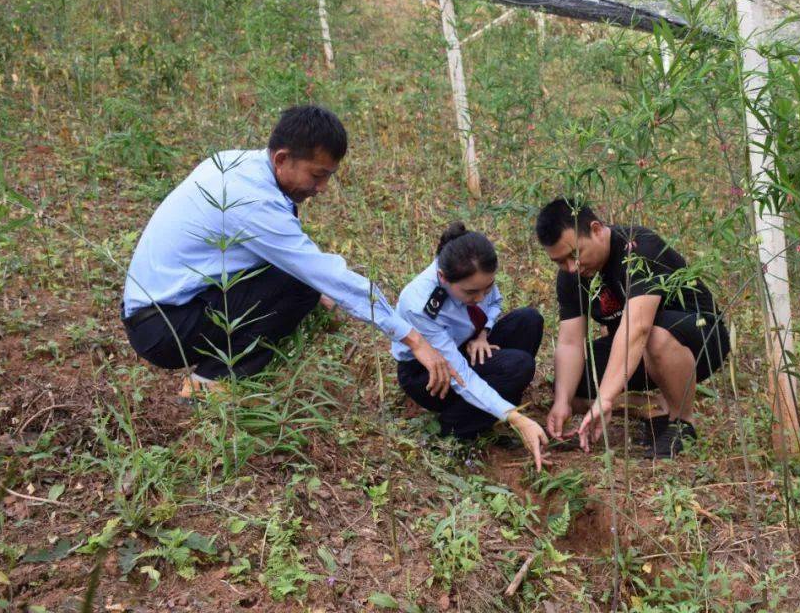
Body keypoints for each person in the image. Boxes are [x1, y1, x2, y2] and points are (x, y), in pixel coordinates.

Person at [122, 105, 457, 401]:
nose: (322, 189)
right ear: (282, 159)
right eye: (317, 175)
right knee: (301, 285)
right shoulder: (251, 200)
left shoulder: (236, 163)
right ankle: (208, 386)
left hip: (160, 311)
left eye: (328, 176)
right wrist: (413, 338)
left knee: (303, 282)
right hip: (163, 328)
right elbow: (324, 273)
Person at [535, 198, 730, 459]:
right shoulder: (572, 275)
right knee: (570, 384)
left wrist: (605, 398)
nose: (572, 267)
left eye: (575, 254)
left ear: (596, 229)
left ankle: (682, 423)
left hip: (699, 339)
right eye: (560, 262)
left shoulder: (637, 248)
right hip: (638, 351)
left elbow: (637, 328)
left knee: (654, 336)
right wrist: (562, 402)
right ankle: (653, 408)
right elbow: (570, 342)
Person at [392, 223, 549, 470]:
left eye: (487, 287)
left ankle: (491, 411)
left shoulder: (477, 276)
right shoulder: (420, 305)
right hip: (427, 372)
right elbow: (459, 375)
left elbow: (494, 303)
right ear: (443, 278)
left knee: (528, 321)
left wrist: (483, 334)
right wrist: (517, 419)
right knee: (518, 365)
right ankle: (454, 430)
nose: (481, 297)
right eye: (472, 293)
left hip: (467, 343)